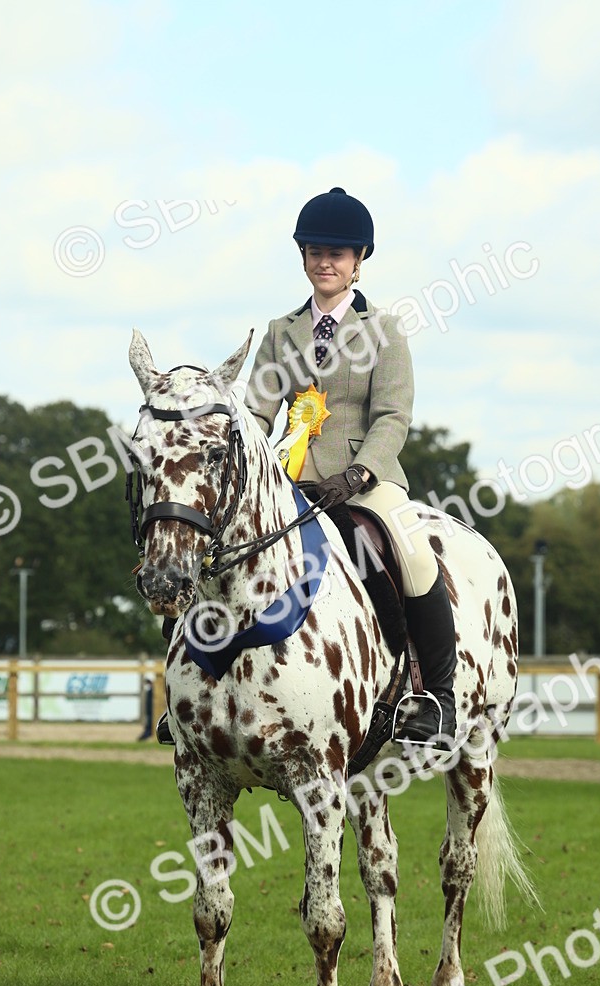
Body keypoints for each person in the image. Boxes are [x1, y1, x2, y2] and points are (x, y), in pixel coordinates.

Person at [244, 186, 457, 748]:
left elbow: (393, 415)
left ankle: (437, 696)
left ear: (358, 261)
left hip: (364, 482)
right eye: (315, 251)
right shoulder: (278, 332)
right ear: (304, 257)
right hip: (290, 480)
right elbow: (256, 410)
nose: (325, 262)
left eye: (337, 253)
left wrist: (360, 473)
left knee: (412, 555)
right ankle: (194, 688)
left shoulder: (385, 330)